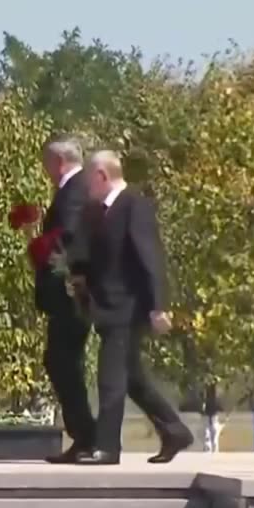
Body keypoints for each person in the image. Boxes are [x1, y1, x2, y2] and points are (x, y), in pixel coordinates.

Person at [69, 151, 194, 465]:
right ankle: (175, 430)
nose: (87, 187)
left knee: (111, 378)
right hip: (107, 306)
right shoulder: (100, 211)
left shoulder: (133, 206)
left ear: (101, 176)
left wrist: (158, 306)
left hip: (128, 308)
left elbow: (149, 257)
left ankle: (108, 447)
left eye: (89, 180)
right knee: (132, 378)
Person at [34, 137, 97, 464]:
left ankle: (86, 435)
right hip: (71, 294)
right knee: (63, 362)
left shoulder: (73, 190)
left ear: (58, 162)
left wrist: (44, 256)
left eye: (47, 164)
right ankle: (84, 435)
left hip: (70, 294)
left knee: (62, 362)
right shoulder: (78, 188)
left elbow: (68, 237)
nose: (46, 171)